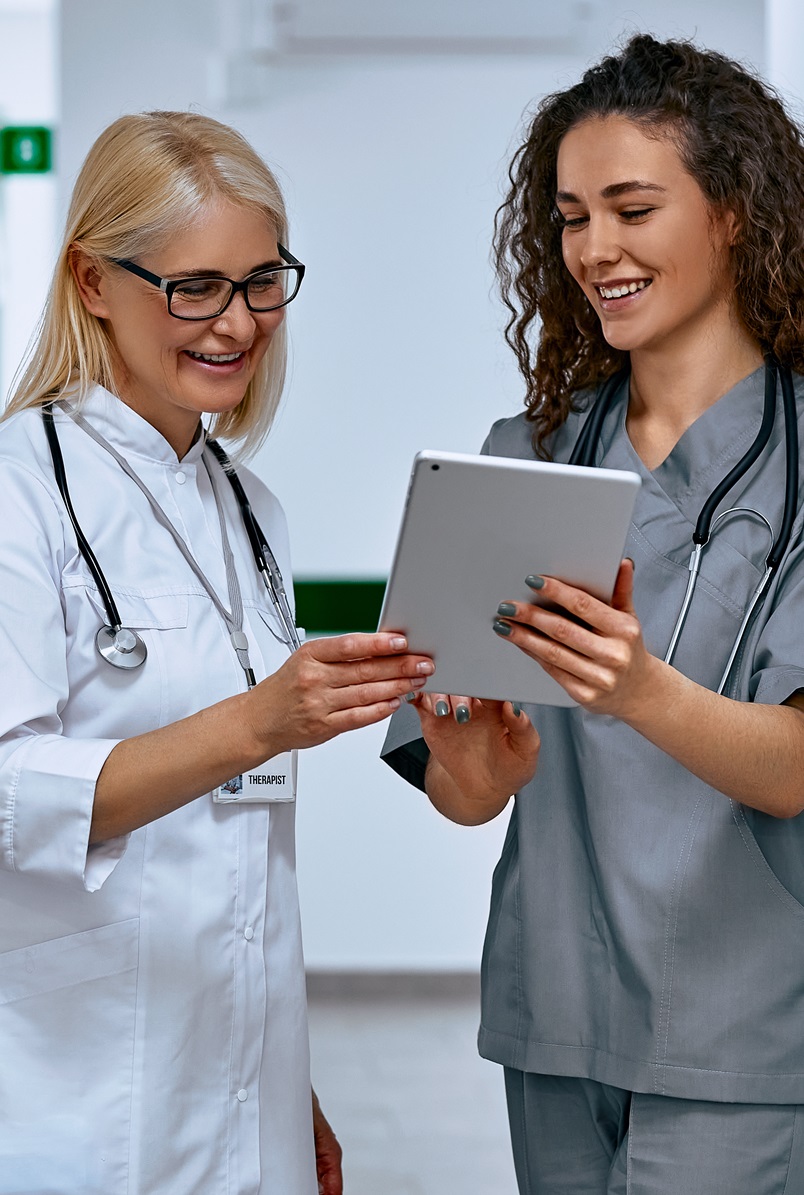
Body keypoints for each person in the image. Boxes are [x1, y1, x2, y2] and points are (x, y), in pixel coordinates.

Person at [382, 34, 804, 1194]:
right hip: (556, 1023)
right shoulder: (518, 461)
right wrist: (475, 767)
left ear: (733, 213)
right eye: (571, 217)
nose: (594, 251)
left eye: (632, 208)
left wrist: (640, 693)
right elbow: (464, 791)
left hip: (746, 1034)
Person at [0, 111, 435, 1195]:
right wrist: (256, 720)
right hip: (73, 1092)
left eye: (262, 281)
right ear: (92, 280)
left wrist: (283, 1080)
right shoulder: (19, 489)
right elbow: (9, 797)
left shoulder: (250, 510)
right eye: (195, 287)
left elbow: (243, 847)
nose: (237, 323)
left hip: (241, 1086)